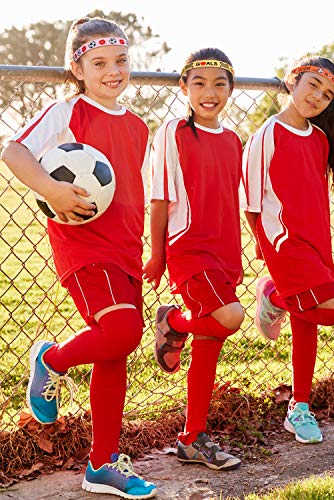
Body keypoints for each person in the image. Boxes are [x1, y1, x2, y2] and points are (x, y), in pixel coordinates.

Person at [1, 17, 157, 498]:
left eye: (120, 61)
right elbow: (14, 151)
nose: (113, 71)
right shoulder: (67, 111)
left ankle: (102, 464)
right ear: (78, 68)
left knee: (116, 349)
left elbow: (131, 190)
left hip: (126, 247)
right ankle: (52, 360)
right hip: (84, 244)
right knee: (123, 331)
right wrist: (52, 189)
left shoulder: (136, 125)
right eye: (99, 63)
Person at [143, 47, 243, 471]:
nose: (209, 92)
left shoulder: (234, 139)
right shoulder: (173, 131)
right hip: (189, 248)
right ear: (184, 88)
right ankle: (173, 321)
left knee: (212, 339)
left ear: (231, 91)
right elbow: (161, 196)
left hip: (223, 252)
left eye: (220, 84)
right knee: (230, 317)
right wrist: (157, 253)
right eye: (199, 83)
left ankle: (192, 438)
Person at [240, 56, 334, 444]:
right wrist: (264, 248)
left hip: (316, 242)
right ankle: (272, 293)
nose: (317, 97)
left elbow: (315, 197)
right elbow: (252, 202)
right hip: (282, 242)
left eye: (327, 94)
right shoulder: (265, 135)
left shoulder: (320, 140)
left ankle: (299, 407)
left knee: (307, 321)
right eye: (312, 86)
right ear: (293, 81)